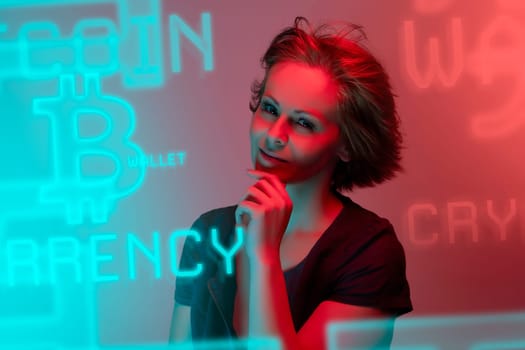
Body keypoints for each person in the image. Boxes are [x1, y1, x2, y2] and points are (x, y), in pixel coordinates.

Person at [169, 16, 412, 349]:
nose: (274, 134)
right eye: (269, 109)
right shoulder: (209, 232)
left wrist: (264, 254)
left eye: (303, 123)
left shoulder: (369, 250)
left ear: (346, 145)